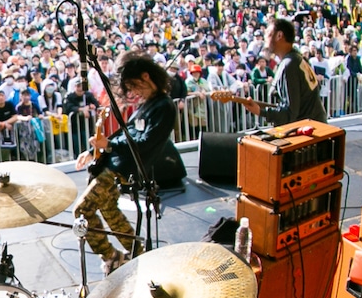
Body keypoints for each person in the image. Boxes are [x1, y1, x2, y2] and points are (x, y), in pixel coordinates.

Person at [74, 56, 186, 272]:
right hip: (115, 164)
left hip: (124, 169)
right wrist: (95, 149)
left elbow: (145, 142)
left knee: (82, 211)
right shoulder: (148, 105)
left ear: (146, 77)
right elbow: (126, 134)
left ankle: (112, 256)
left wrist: (109, 146)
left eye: (135, 86)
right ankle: (138, 253)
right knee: (108, 210)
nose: (135, 92)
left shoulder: (164, 107)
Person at [211, 18, 328, 124]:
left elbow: (290, 114)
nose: (265, 38)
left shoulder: (289, 65)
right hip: (316, 127)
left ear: (279, 35)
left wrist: (262, 112)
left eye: (268, 34)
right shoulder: (297, 58)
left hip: (309, 135)